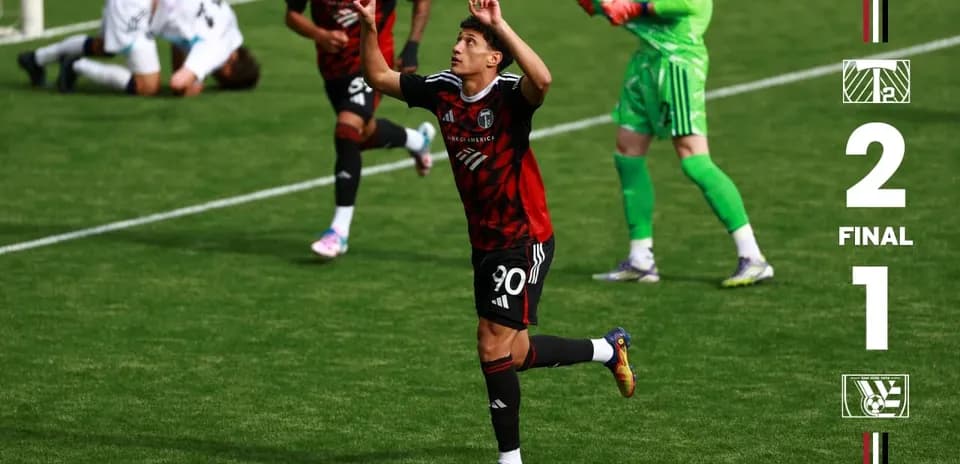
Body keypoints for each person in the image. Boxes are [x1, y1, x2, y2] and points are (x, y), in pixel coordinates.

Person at [355, 1, 636, 462]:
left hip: (524, 237)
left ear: (494, 58)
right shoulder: (443, 90)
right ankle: (608, 349)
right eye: (459, 39)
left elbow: (542, 80)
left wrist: (501, 25)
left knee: (490, 344)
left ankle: (510, 459)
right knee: (516, 353)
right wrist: (369, 27)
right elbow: (379, 77)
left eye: (471, 43)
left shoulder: (509, 95)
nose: (457, 47)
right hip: (483, 239)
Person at [577, 0, 774, 287]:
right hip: (646, 62)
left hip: (678, 64)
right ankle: (641, 259)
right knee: (627, 152)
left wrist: (633, 7)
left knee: (694, 158)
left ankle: (752, 256)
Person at [284, 0, 437, 259]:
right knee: (358, 136)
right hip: (333, 70)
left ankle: (338, 232)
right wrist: (319, 35)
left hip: (372, 63)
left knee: (347, 130)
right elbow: (292, 16)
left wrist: (412, 45)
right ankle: (416, 140)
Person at [17, 0, 162, 95]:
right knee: (148, 86)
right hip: (132, 7)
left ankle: (36, 58)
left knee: (104, 46)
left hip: (128, 6)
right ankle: (75, 65)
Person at [147, 0, 260, 96]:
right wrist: (193, 84)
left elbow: (181, 38)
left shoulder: (230, 21)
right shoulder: (218, 51)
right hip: (143, 8)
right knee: (148, 87)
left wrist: (187, 71)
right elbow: (177, 83)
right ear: (228, 72)